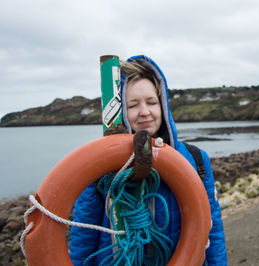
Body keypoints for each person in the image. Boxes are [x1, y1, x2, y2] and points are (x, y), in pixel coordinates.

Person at [69, 55, 228, 265]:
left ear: (163, 105)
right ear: (122, 111)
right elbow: (83, 236)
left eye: (152, 102)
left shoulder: (196, 160)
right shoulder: (100, 166)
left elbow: (212, 228)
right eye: (133, 105)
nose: (145, 112)